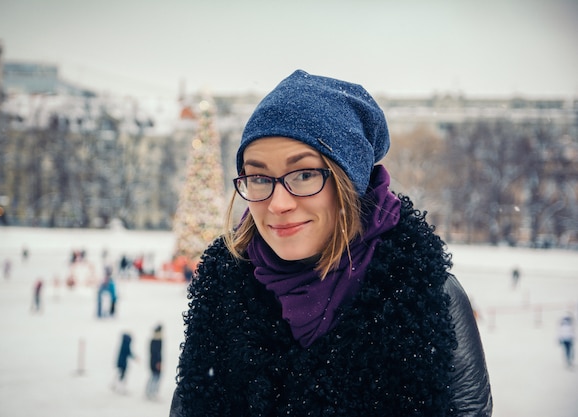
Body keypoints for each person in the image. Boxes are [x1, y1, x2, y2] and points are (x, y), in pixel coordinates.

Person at [169, 70, 492, 416]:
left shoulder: (428, 295)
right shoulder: (223, 291)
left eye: (305, 174)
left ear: (349, 184)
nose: (278, 204)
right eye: (260, 177)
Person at [146, 325, 163, 400]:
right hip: (155, 362)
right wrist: (158, 363)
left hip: (155, 362)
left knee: (154, 377)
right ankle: (151, 392)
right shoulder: (156, 341)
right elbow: (156, 353)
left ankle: (151, 391)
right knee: (155, 377)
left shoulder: (156, 340)